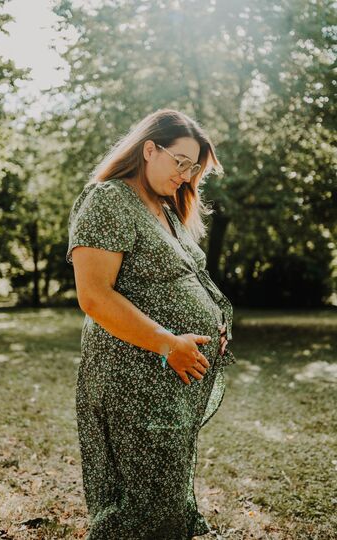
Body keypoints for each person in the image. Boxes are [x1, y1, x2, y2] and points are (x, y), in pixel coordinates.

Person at [66, 108, 237, 540]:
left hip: (167, 381)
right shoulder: (108, 200)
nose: (187, 174)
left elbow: (186, 282)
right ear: (148, 149)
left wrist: (212, 324)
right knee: (139, 505)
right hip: (132, 377)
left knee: (164, 494)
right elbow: (95, 296)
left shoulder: (166, 210)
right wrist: (167, 342)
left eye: (194, 168)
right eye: (180, 162)